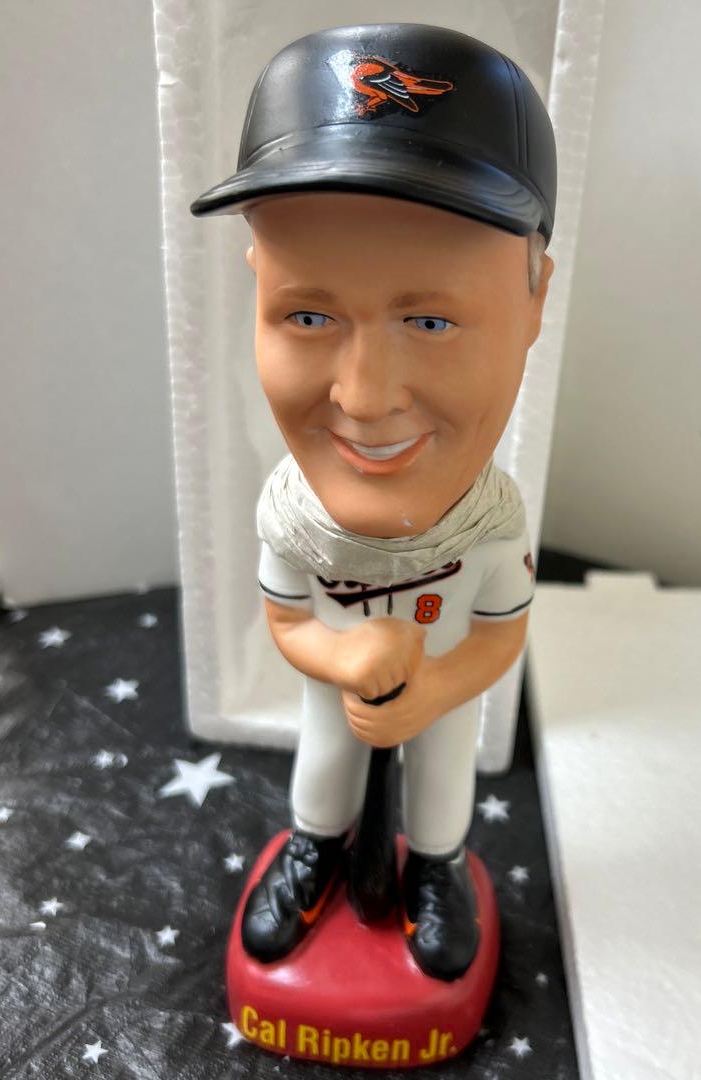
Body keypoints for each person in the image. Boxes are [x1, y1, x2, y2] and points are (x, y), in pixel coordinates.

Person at [191, 23, 556, 983]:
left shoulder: (490, 523)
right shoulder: (294, 516)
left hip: (441, 688)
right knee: (322, 766)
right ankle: (314, 850)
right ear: (255, 281)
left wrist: (433, 687)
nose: (363, 397)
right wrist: (344, 658)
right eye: (309, 314)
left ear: (534, 302)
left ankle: (436, 870)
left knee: (442, 778)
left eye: (430, 320)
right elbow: (286, 620)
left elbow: (500, 633)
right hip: (341, 693)